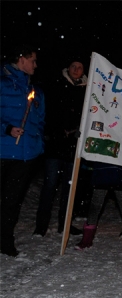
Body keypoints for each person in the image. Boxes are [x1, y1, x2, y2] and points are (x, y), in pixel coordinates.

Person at [32, 57, 89, 238]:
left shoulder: (87, 91)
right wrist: (54, 131)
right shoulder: (57, 86)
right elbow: (48, 112)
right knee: (49, 185)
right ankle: (41, 225)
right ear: (68, 68)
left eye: (79, 67)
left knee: (69, 188)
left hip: (73, 146)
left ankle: (65, 224)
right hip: (55, 145)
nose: (76, 69)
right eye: (73, 66)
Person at [0, 44, 45, 256]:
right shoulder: (2, 83)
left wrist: (38, 143)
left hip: (25, 155)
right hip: (3, 151)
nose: (35, 65)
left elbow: (40, 121)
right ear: (21, 59)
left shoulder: (34, 90)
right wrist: (6, 129)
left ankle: (5, 239)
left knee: (12, 201)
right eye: (33, 60)